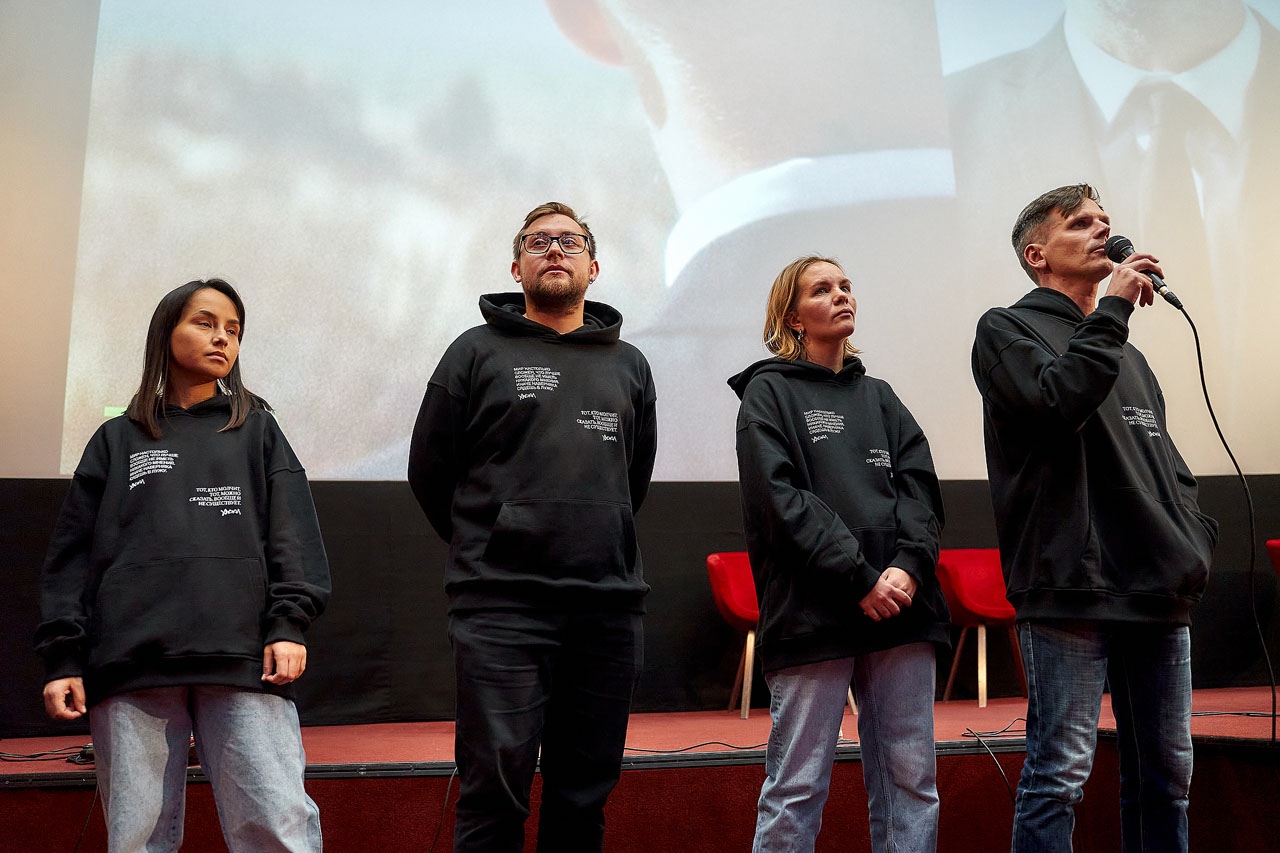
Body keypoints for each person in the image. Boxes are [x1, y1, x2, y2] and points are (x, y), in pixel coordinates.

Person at [34, 278, 331, 852]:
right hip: (131, 659)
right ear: (164, 333)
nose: (222, 338)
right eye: (205, 322)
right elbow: (71, 557)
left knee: (276, 827)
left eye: (234, 330)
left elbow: (293, 534)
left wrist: (289, 623)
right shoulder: (116, 439)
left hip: (243, 657)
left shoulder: (258, 430)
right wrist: (63, 656)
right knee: (137, 839)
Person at [971, 184, 1219, 852]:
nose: (1101, 230)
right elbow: (1058, 402)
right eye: (1080, 223)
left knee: (1168, 775)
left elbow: (1168, 463)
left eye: (1104, 220)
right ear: (1037, 254)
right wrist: (1113, 309)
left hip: (1157, 585)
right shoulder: (1007, 329)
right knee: (1060, 775)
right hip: (1071, 584)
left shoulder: (1129, 355)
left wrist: (1192, 536)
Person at [407, 201, 658, 852]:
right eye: (537, 241)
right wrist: (492, 540)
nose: (554, 250)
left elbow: (631, 479)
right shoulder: (474, 351)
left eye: (570, 242)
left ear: (594, 267)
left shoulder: (630, 364)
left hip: (607, 610)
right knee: (494, 794)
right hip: (501, 610)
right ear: (516, 266)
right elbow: (429, 470)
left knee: (584, 796)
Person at [729, 256, 950, 853]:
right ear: (793, 317)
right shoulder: (768, 393)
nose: (840, 295)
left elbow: (920, 491)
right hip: (815, 612)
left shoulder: (880, 396)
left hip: (902, 607)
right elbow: (780, 501)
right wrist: (860, 578)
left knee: (912, 783)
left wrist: (907, 568)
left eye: (846, 286)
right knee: (797, 787)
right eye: (821, 289)